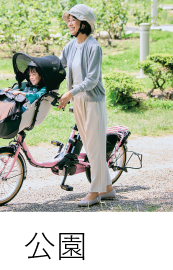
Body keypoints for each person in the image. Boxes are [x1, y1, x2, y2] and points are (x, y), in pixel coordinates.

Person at [56, 4, 114, 207]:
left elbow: (92, 80)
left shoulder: (93, 47)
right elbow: (59, 67)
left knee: (95, 147)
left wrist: (69, 93)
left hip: (93, 102)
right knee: (90, 145)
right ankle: (107, 188)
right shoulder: (70, 46)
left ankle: (95, 192)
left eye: (73, 19)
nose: (69, 23)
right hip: (78, 101)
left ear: (84, 23)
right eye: (68, 19)